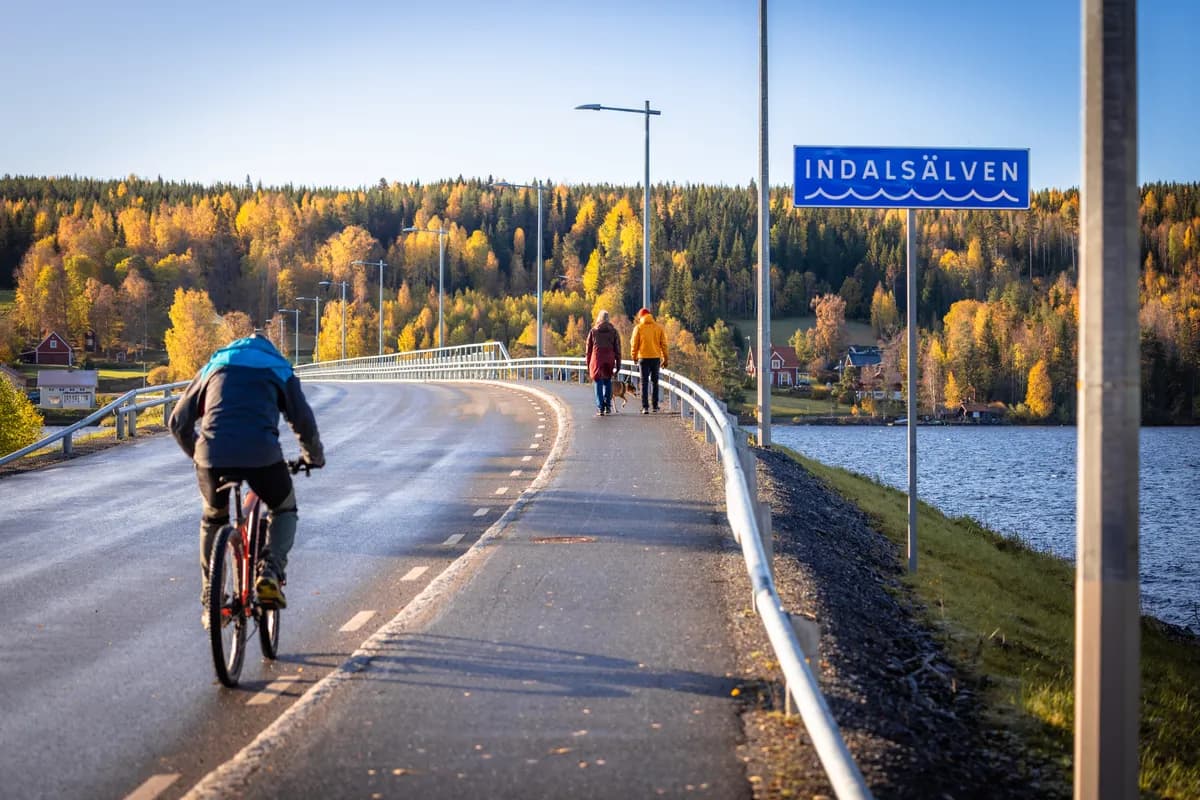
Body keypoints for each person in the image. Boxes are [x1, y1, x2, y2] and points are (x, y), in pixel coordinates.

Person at [169, 332, 324, 622]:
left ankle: (211, 600)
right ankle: (270, 571)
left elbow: (177, 421)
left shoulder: (215, 364)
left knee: (214, 518)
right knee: (283, 506)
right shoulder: (278, 366)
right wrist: (313, 457)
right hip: (261, 455)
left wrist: (200, 456)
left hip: (211, 454)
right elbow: (302, 420)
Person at [630, 307, 668, 414]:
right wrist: (665, 359)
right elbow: (664, 345)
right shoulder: (658, 328)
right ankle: (655, 406)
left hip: (643, 358)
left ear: (641, 317)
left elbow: (634, 344)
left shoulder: (638, 328)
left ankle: (645, 407)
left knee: (644, 383)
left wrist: (634, 357)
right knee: (655, 382)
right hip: (655, 358)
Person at [585, 310, 622, 416]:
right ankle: (607, 406)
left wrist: (588, 365)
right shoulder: (614, 331)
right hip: (609, 358)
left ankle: (600, 407)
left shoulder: (593, 331)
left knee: (598, 382)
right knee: (607, 381)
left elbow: (588, 350)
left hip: (597, 359)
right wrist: (618, 364)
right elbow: (618, 349)